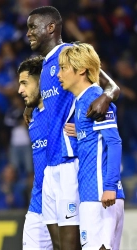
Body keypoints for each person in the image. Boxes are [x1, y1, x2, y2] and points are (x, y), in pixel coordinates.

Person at [26, 6, 120, 250]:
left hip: (71, 161)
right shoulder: (46, 66)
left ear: (51, 27)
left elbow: (110, 86)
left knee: (72, 244)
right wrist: (30, 106)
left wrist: (106, 96)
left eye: (32, 27)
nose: (28, 33)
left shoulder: (68, 55)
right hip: (51, 166)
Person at [57, 42, 125, 250]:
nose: (59, 74)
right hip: (91, 194)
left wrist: (109, 187)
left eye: (63, 68)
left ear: (81, 70)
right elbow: (96, 143)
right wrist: (82, 134)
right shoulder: (81, 101)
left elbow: (114, 142)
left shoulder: (96, 98)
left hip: (101, 196)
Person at [18, 56, 52, 250]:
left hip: (64, 200)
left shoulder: (63, 111)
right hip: (37, 202)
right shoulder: (32, 117)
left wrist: (109, 91)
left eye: (24, 83)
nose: (19, 90)